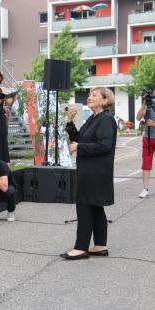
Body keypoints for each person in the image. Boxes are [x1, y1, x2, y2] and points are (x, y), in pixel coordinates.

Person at [61, 87, 117, 260]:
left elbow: (104, 146)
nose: (89, 97)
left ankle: (81, 247)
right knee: (95, 205)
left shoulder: (106, 119)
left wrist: (79, 147)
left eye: (94, 95)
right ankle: (100, 245)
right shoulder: (94, 118)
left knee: (84, 205)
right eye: (89, 94)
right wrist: (70, 122)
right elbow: (79, 139)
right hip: (91, 169)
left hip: (96, 170)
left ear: (106, 100)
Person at [136, 91, 155, 198]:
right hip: (147, 139)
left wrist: (153, 124)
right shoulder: (147, 105)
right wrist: (143, 104)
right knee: (146, 164)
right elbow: (138, 118)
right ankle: (145, 189)